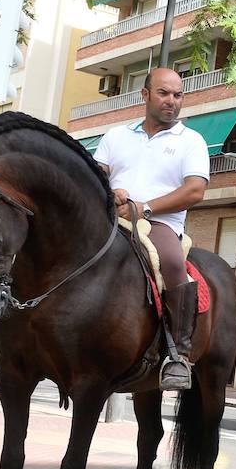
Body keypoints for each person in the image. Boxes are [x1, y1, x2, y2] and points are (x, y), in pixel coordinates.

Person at [95, 67, 210, 391]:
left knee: (172, 264)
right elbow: (97, 174)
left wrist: (145, 207)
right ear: (145, 95)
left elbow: (194, 191)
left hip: (159, 222)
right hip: (109, 215)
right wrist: (109, 190)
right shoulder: (116, 136)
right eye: (164, 93)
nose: (171, 101)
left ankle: (178, 354)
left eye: (177, 95)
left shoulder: (191, 141)